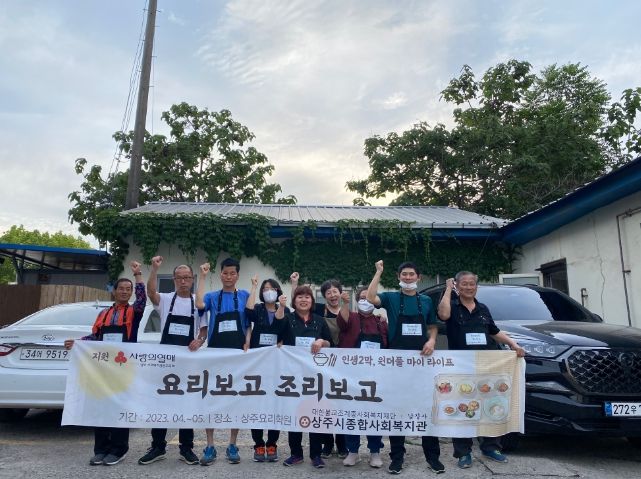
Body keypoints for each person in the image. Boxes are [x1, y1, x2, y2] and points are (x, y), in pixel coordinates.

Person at [437, 272, 525, 469]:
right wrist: (448, 289)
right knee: (462, 409)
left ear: (476, 287)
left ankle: (491, 447)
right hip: (462, 367)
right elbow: (443, 315)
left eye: (472, 284)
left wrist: (513, 344)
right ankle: (463, 452)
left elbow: (494, 331)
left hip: (486, 365)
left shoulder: (483, 308)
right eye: (464, 284)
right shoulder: (452, 306)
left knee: (490, 405)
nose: (469, 287)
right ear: (457, 286)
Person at [64, 261, 147, 467]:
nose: (125, 292)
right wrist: (77, 343)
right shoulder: (103, 314)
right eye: (121, 288)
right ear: (114, 291)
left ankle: (119, 450)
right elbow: (95, 336)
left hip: (123, 367)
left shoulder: (134, 312)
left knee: (119, 407)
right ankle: (101, 449)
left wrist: (138, 275)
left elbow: (142, 299)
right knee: (100, 407)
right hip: (102, 367)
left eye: (128, 289)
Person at [366, 260, 444, 475]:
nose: (408, 278)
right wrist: (378, 272)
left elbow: (432, 326)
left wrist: (432, 341)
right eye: (404, 274)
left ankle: (433, 458)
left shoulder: (426, 301)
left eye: (411, 274)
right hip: (397, 364)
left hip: (422, 363)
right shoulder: (391, 298)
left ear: (418, 277)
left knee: (426, 410)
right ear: (398, 277)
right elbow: (371, 298)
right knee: (397, 412)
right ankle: (397, 458)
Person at [138, 256, 207, 466]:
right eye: (179, 278)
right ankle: (157, 446)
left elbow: (203, 330)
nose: (183, 281)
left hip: (188, 361)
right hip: (166, 361)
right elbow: (151, 292)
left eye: (187, 277)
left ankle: (186, 448)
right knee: (161, 403)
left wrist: (199, 340)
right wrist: (154, 269)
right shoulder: (166, 299)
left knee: (186, 404)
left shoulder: (198, 302)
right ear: (174, 280)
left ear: (192, 280)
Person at [195, 257, 250, 465]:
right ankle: (210, 445)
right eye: (225, 273)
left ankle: (232, 444)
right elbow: (199, 304)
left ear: (237, 275)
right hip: (215, 354)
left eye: (232, 273)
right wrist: (202, 276)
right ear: (220, 275)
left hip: (237, 355)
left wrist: (247, 342)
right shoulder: (212, 296)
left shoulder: (245, 295)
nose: (228, 277)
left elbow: (248, 324)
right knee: (211, 399)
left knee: (236, 399)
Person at [290, 274, 349, 458]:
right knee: (320, 405)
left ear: (340, 293)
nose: (332, 295)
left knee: (337, 403)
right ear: (323, 296)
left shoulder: (347, 310)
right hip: (315, 364)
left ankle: (341, 445)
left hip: (339, 361)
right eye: (328, 292)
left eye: (335, 291)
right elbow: (299, 301)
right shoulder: (318, 311)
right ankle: (326, 445)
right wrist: (294, 284)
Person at [275, 285, 332, 469]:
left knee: (314, 413)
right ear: (294, 300)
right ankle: (296, 454)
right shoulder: (288, 318)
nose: (304, 299)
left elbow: (331, 343)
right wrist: (281, 307)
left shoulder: (319, 320)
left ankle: (316, 455)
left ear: (312, 301)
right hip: (292, 375)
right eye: (300, 296)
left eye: (307, 296)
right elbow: (276, 330)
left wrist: (321, 341)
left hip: (314, 375)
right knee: (294, 414)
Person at [337, 286, 389, 468]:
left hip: (375, 376)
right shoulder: (351, 317)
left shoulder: (381, 321)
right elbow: (342, 324)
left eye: (369, 298)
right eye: (362, 298)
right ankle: (353, 451)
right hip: (351, 375)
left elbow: (387, 346)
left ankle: (375, 452)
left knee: (374, 415)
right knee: (352, 413)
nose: (366, 301)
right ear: (357, 301)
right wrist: (344, 303)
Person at [244, 276, 291, 463]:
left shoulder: (285, 309)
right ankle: (258, 443)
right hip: (257, 363)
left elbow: (286, 331)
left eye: (272, 288)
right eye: (265, 289)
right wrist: (254, 286)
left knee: (274, 404)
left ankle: (272, 443)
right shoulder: (258, 309)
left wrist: (282, 341)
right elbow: (248, 312)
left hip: (277, 365)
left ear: (278, 291)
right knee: (256, 403)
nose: (268, 291)